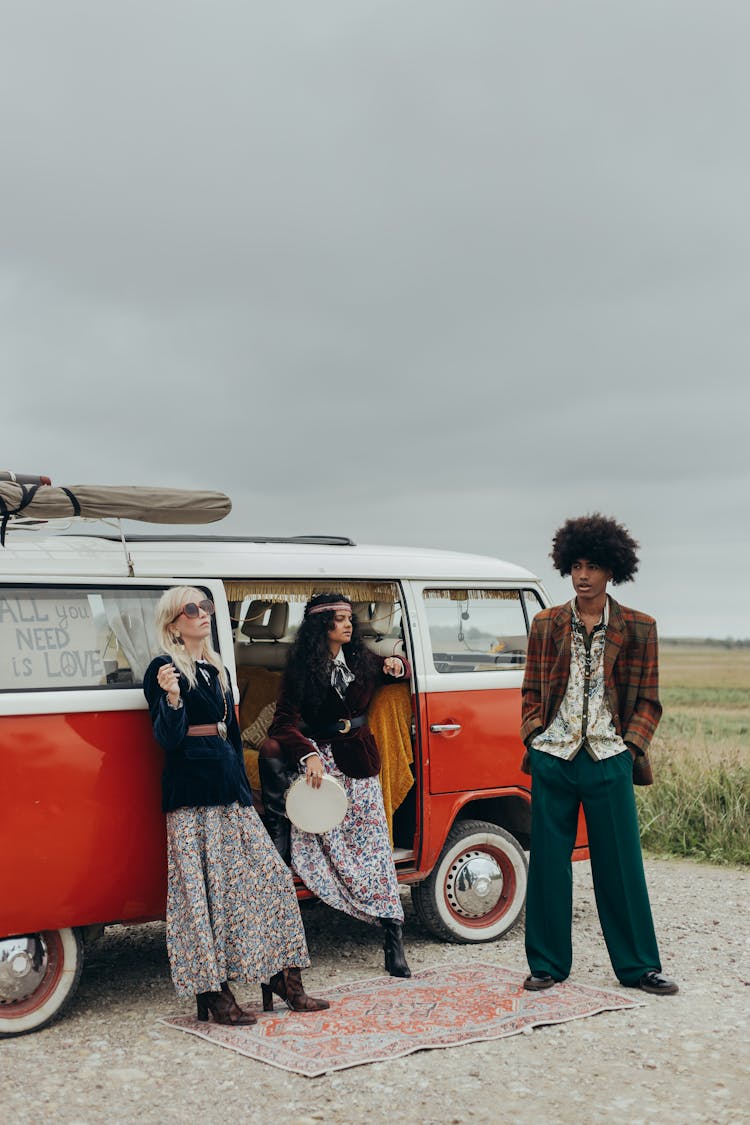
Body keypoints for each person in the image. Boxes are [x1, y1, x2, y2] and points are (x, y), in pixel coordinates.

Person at [143, 586, 329, 1024]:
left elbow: (229, 729)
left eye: (206, 606)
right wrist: (171, 698)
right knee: (202, 897)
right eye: (193, 608)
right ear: (174, 622)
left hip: (229, 790)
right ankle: (213, 991)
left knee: (272, 879)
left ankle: (284, 979)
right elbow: (167, 740)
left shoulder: (215, 666)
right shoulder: (164, 668)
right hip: (192, 797)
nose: (203, 613)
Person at [520, 515, 678, 996]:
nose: (583, 575)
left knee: (621, 865)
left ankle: (639, 967)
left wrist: (628, 750)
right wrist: (534, 737)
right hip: (554, 758)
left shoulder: (640, 627)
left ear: (613, 571)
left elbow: (648, 701)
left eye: (593, 566)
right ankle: (546, 964)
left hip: (610, 759)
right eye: (576, 566)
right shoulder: (546, 623)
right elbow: (530, 691)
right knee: (548, 863)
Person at [267, 592, 412, 978]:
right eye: (339, 619)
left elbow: (401, 670)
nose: (349, 624)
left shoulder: (364, 660)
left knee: (376, 847)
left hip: (360, 759)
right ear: (321, 625)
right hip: (321, 765)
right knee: (320, 841)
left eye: (350, 618)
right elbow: (281, 725)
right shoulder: (300, 669)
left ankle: (393, 937)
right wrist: (307, 754)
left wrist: (398, 664)